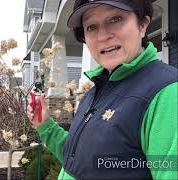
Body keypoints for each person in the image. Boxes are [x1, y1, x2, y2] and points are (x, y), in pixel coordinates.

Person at [27, 0, 178, 179]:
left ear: (143, 25)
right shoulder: (94, 92)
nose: (102, 36)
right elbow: (81, 160)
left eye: (116, 18)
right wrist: (45, 126)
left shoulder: (168, 93)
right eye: (91, 27)